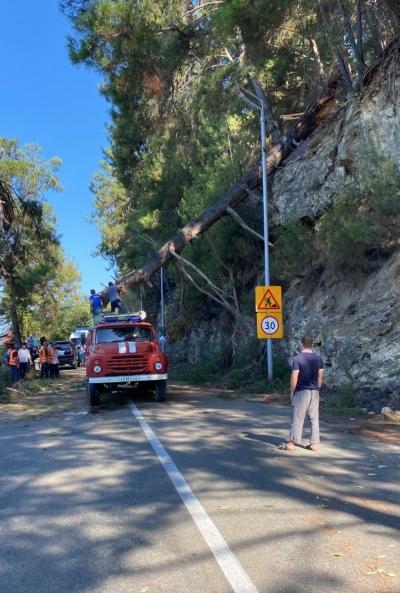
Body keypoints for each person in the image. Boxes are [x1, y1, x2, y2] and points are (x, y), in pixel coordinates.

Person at [279, 334, 324, 452]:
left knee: (298, 417)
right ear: (312, 345)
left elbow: (294, 377)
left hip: (301, 391)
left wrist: (292, 391)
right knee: (314, 418)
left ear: (301, 345)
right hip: (314, 391)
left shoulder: (297, 359)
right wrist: (317, 389)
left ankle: (291, 443)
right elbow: (320, 377)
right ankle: (313, 443)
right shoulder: (318, 359)